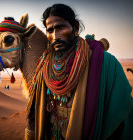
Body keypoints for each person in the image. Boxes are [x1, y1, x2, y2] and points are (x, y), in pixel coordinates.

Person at [25, 3, 133, 140]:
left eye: (60, 27)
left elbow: (120, 114)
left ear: (74, 27)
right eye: (50, 30)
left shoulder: (106, 63)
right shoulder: (45, 65)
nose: (55, 35)